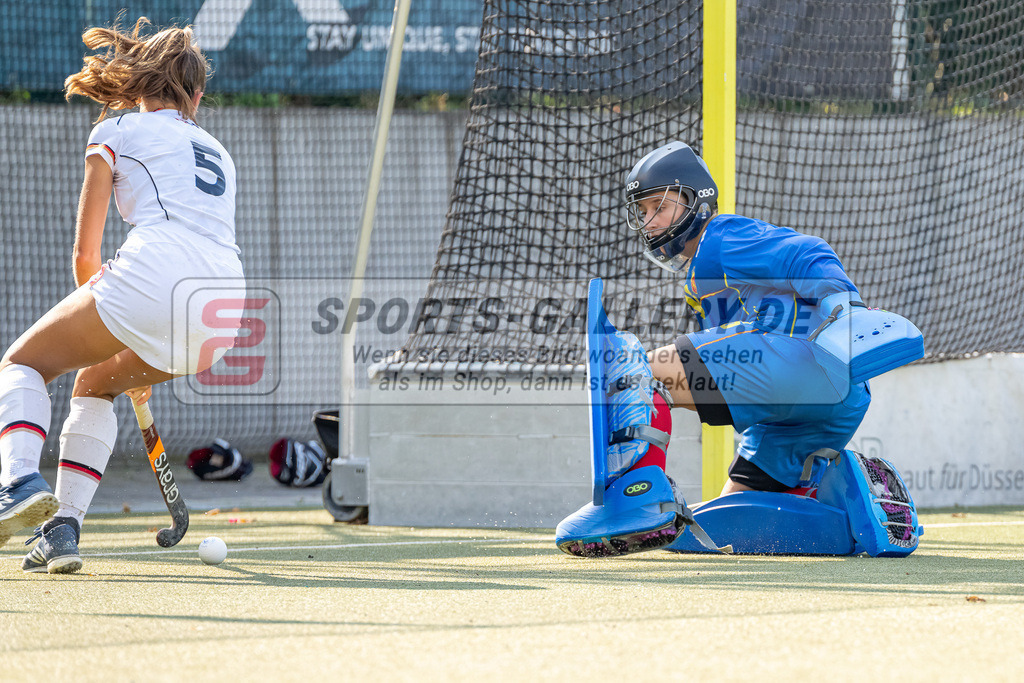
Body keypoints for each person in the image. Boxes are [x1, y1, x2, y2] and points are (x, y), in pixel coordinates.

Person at [0, 17, 244, 573]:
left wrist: (120, 323)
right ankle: (62, 530)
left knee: (24, 364)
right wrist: (127, 345)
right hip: (222, 310)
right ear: (197, 95)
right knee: (94, 384)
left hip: (153, 277)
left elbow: (86, 256)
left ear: (138, 84)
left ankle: (16, 481)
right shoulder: (219, 152)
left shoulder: (116, 131)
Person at [625, 140, 871, 496]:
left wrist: (846, 307)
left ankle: (636, 499)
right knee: (739, 512)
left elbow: (807, 251)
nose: (649, 221)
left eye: (659, 205)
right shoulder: (702, 275)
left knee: (633, 375)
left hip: (804, 363)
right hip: (837, 400)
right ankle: (819, 519)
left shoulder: (720, 237)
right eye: (642, 211)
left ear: (695, 199)